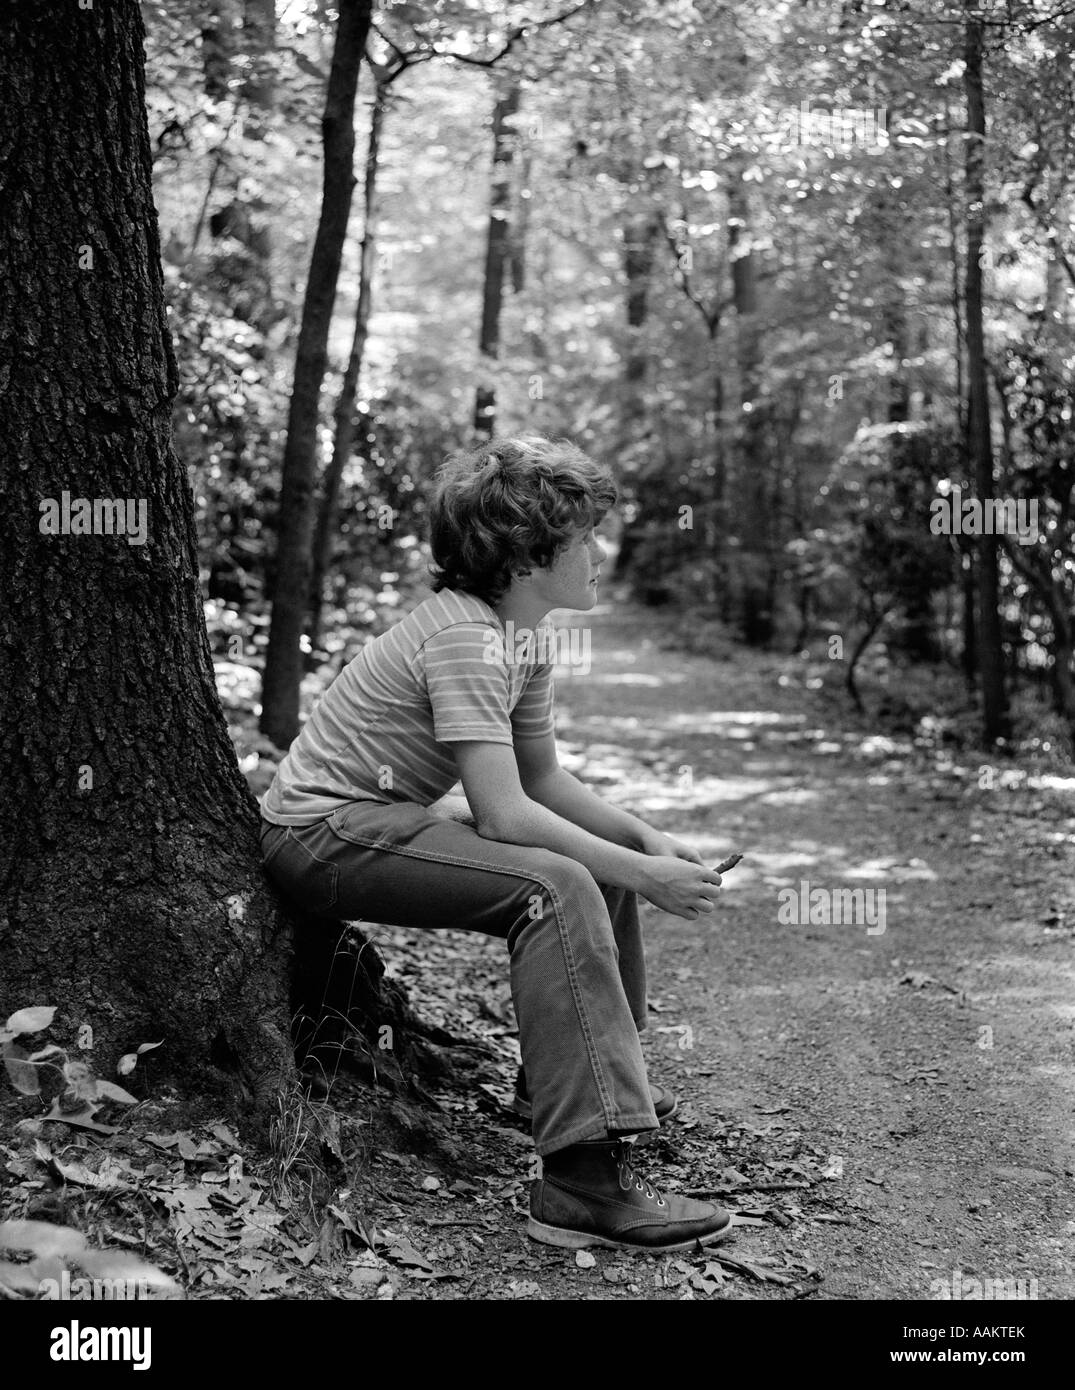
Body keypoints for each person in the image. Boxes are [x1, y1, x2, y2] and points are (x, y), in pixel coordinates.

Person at [258, 435, 731, 1252]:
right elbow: (504, 815)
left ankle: (576, 1094)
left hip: (375, 822)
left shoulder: (521, 638)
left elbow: (545, 783)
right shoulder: (467, 639)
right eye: (582, 537)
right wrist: (644, 875)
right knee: (556, 884)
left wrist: (648, 843)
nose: (598, 552)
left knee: (590, 863)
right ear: (525, 553)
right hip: (320, 837)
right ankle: (580, 1183)